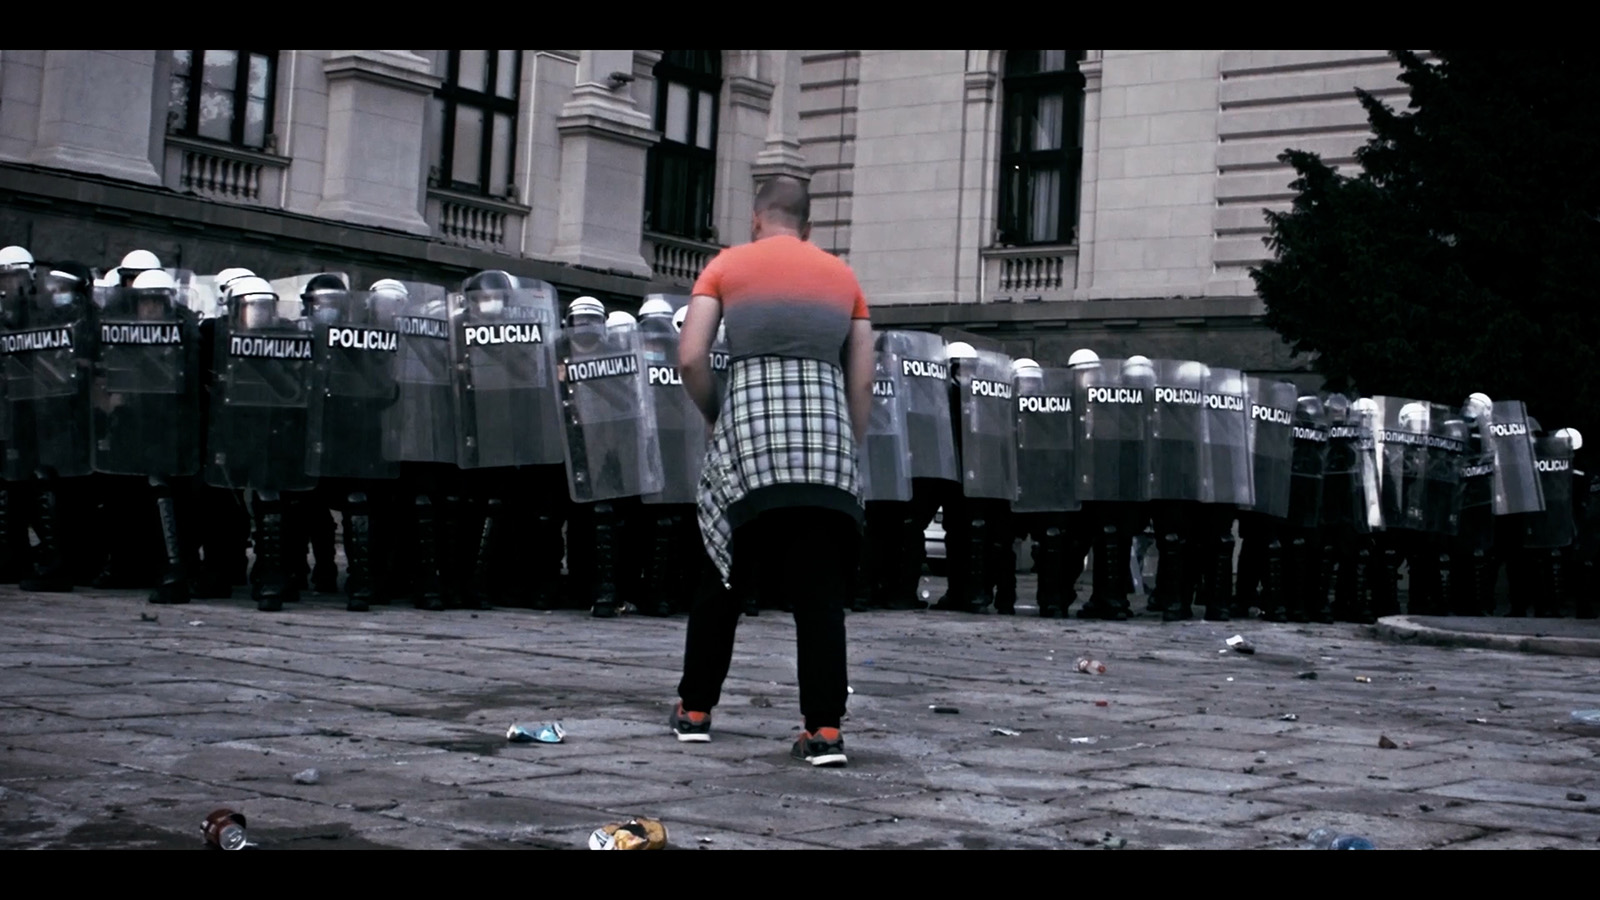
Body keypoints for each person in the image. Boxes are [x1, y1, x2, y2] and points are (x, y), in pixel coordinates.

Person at [669, 175, 873, 768]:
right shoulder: (844, 278)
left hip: (749, 436)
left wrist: (717, 412)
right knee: (820, 596)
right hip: (824, 443)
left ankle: (697, 710)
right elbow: (860, 377)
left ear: (757, 218)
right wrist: (846, 441)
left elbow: (690, 356)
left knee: (722, 580)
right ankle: (825, 730)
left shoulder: (727, 266)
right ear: (809, 227)